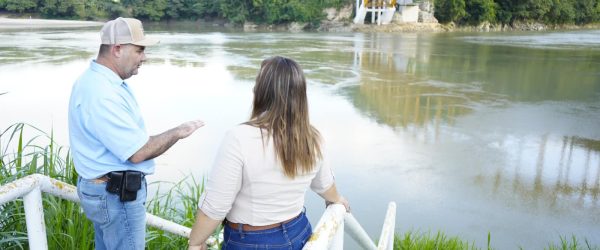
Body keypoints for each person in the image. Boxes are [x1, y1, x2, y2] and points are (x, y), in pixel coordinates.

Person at [68, 17, 204, 250]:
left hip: (105, 191)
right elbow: (138, 152)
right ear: (117, 49)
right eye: (140, 50)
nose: (144, 57)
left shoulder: (95, 81)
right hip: (116, 197)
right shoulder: (102, 92)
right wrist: (179, 132)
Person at [188, 56, 350, 250]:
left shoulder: (239, 137)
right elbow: (324, 185)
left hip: (252, 241)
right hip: (299, 231)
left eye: (257, 82)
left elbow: (215, 206)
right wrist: (337, 199)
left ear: (262, 91)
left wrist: (196, 243)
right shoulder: (311, 137)